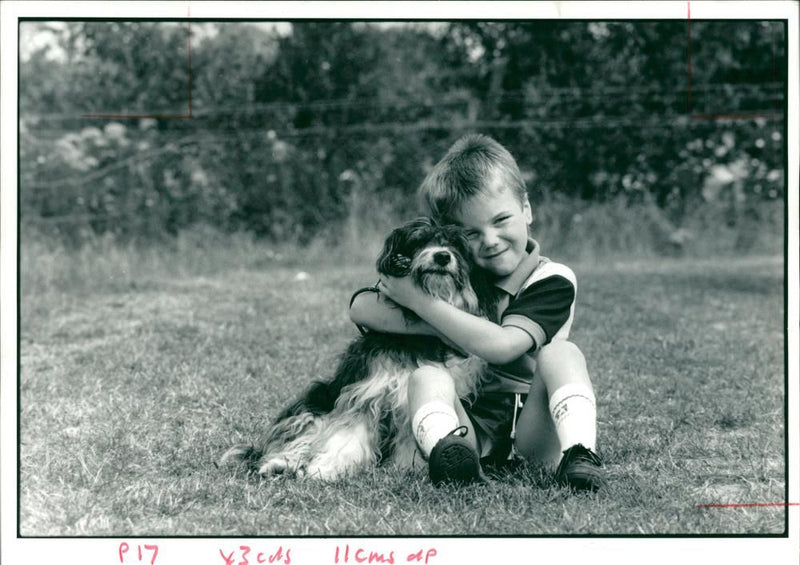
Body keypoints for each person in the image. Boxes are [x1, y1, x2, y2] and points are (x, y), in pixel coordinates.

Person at [350, 134, 605, 492]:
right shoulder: (459, 274)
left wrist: (422, 304)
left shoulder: (551, 278)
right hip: (468, 427)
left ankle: (580, 454)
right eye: (470, 233)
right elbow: (361, 307)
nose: (490, 240)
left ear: (526, 209)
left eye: (501, 220)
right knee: (426, 376)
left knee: (562, 353)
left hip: (533, 432)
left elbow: (501, 346)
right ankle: (450, 458)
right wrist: (432, 316)